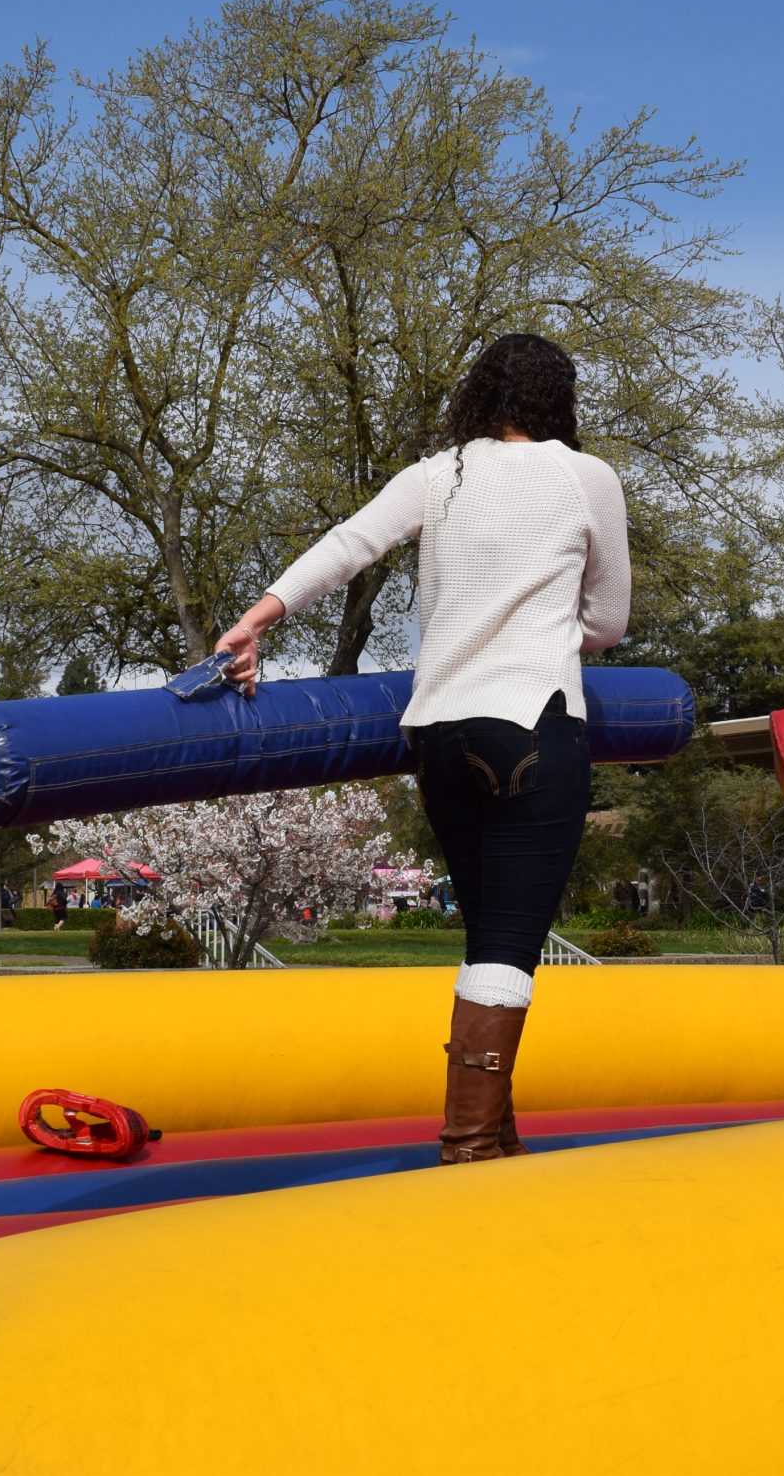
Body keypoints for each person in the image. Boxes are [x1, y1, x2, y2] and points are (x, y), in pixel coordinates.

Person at [215, 332, 629, 1163]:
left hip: (438, 733)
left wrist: (260, 617)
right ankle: (468, 1147)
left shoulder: (439, 475)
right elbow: (609, 622)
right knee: (510, 951)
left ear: (480, 397)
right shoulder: (585, 477)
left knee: (487, 939)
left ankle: (495, 1141)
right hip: (533, 724)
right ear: (559, 400)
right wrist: (553, 629)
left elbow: (348, 546)